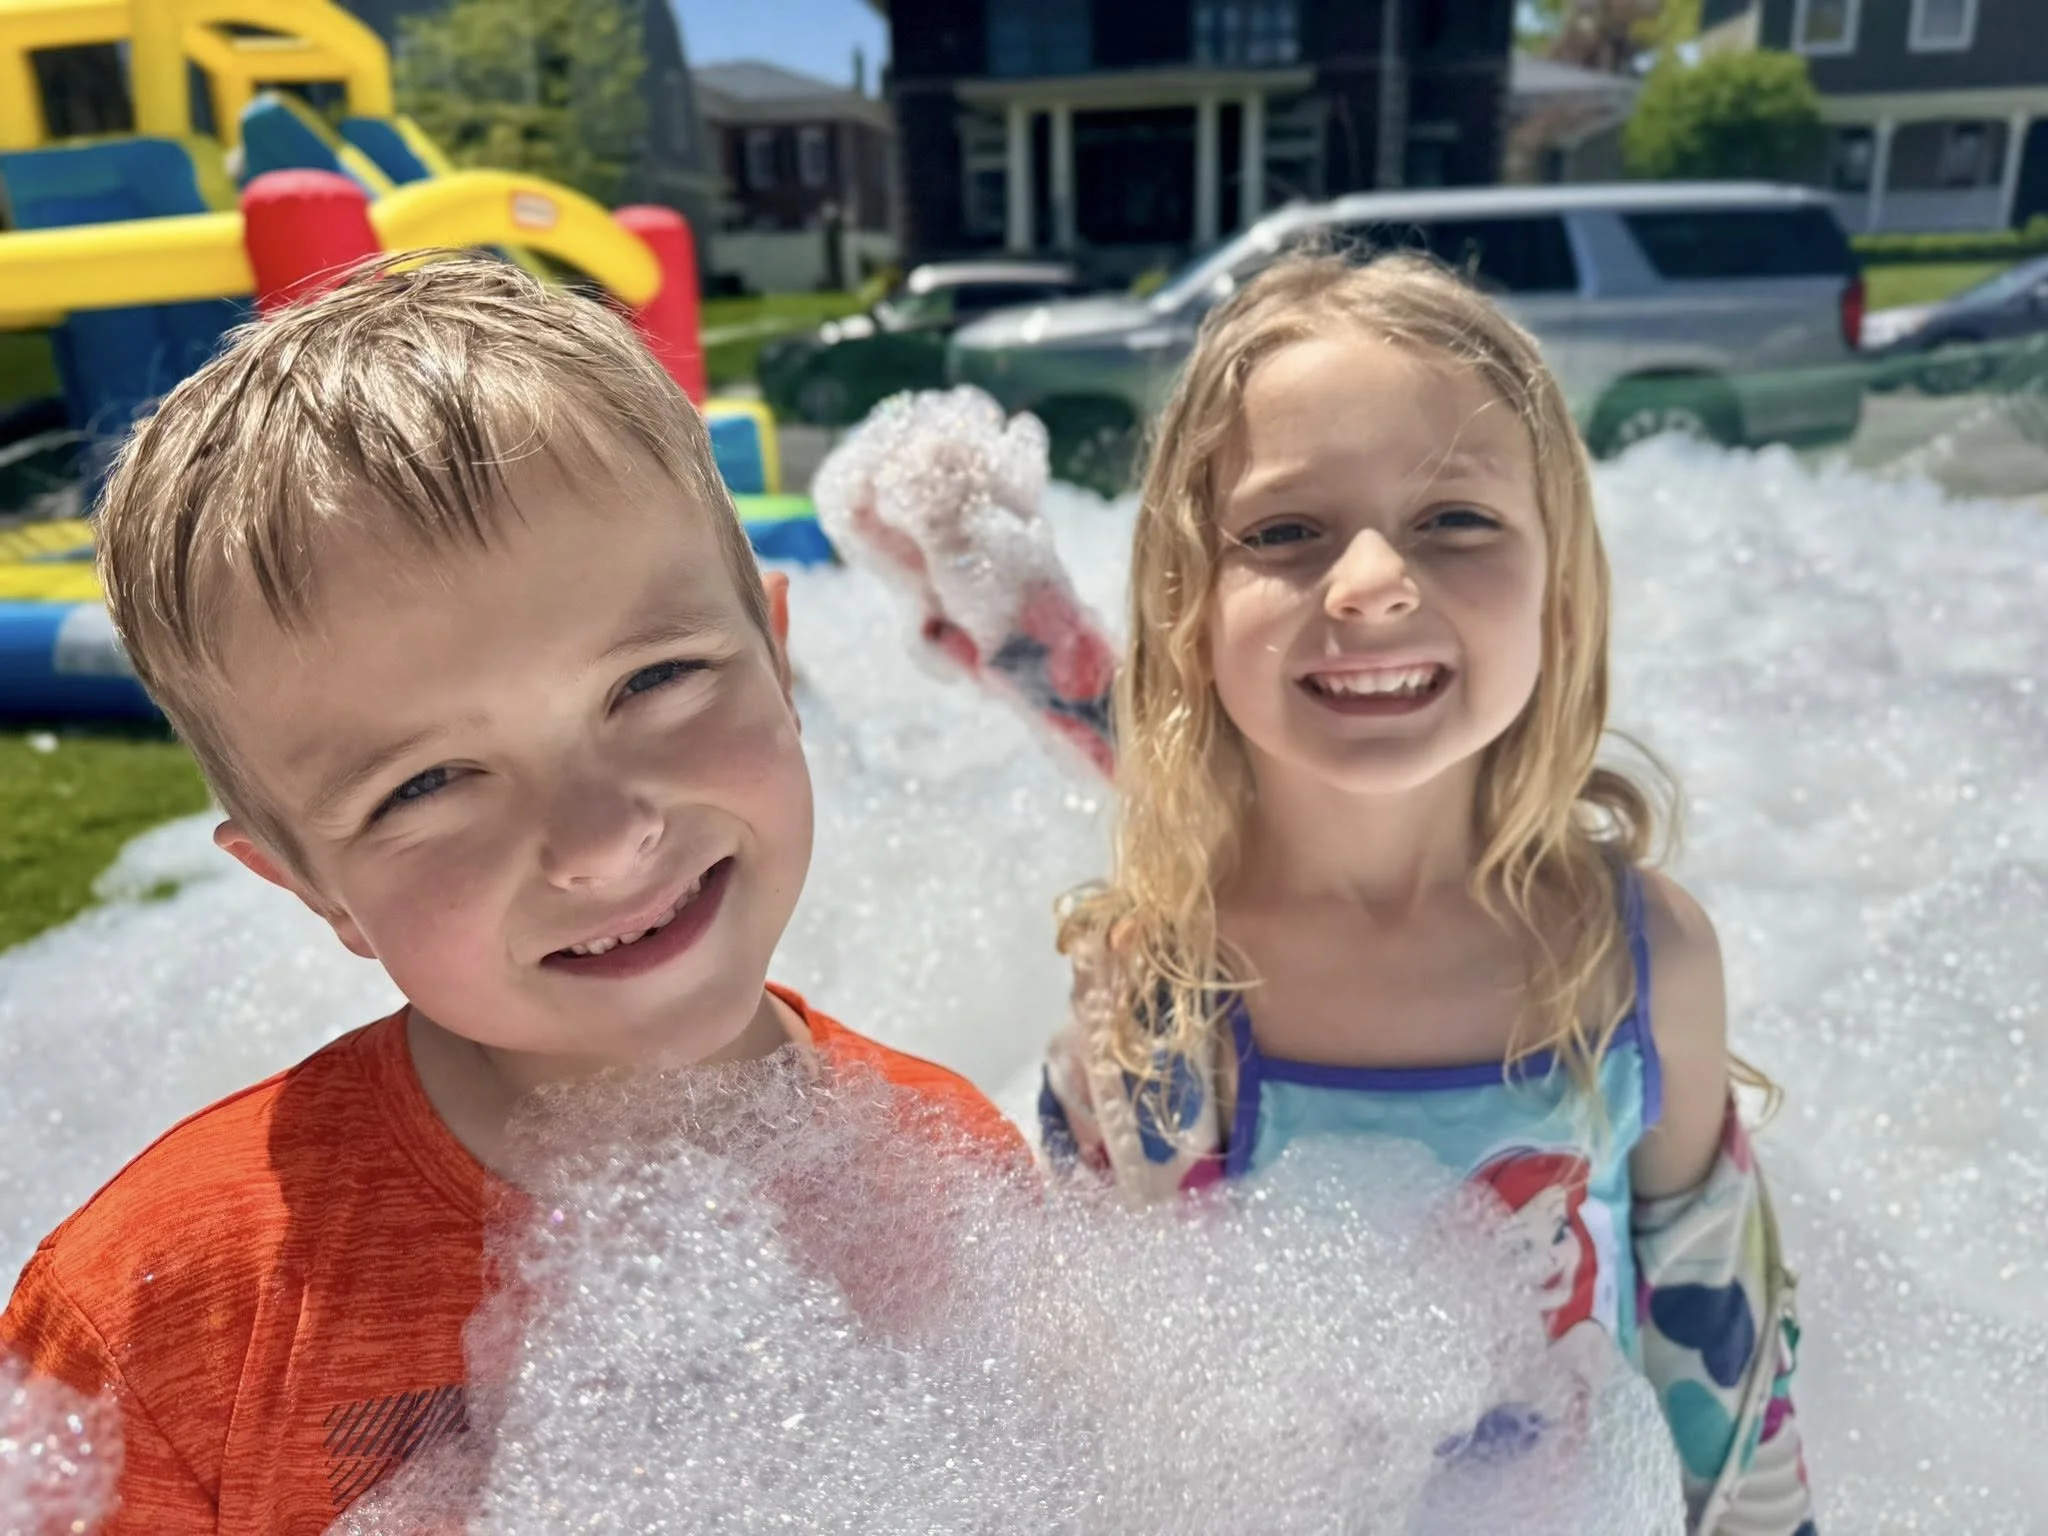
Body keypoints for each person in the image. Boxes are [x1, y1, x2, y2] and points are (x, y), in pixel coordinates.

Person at [0, 255, 1025, 1535]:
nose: (599, 841)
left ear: (777, 654)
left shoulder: (949, 1169)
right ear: (312, 888)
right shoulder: (157, 1316)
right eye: (426, 783)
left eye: (651, 682)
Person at [1014, 251, 1813, 1534]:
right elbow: (1099, 1437)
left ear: (1562, 592)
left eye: (1456, 520)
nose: (1373, 580)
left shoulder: (1637, 959)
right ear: (1190, 609)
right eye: (1283, 532)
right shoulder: (1152, 999)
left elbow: (1722, 1367)